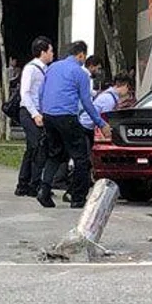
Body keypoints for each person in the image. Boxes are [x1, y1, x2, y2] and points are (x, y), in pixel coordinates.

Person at [37, 41, 111, 208]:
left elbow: (41, 92)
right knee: (81, 157)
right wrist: (100, 123)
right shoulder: (80, 73)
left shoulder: (53, 67)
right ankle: (77, 197)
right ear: (81, 55)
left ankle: (44, 190)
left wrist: (43, 111)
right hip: (67, 117)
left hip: (49, 116)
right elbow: (86, 102)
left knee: (54, 154)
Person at [14, 37, 53, 197]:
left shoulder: (45, 69)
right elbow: (26, 93)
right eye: (50, 51)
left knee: (32, 148)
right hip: (29, 112)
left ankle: (23, 184)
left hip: (39, 112)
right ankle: (33, 184)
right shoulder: (31, 68)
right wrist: (35, 114)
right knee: (39, 147)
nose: (52, 54)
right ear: (42, 52)